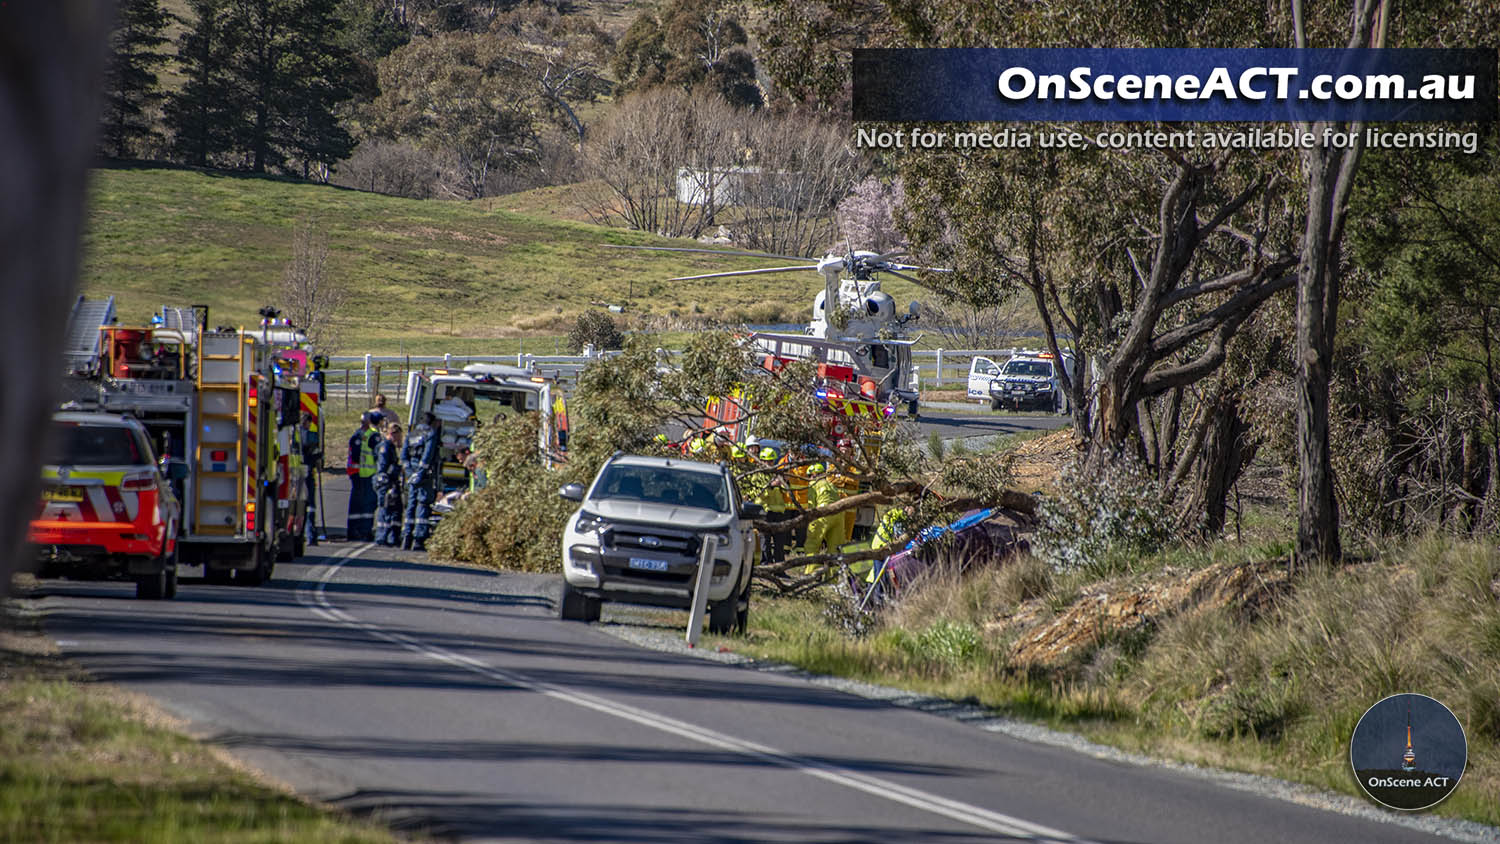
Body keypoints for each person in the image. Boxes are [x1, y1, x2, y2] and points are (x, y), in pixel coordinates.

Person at [402, 412, 442, 551]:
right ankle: (419, 538)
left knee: (411, 504)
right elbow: (428, 455)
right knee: (423, 503)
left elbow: (404, 455)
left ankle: (407, 537)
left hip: (412, 472)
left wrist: (409, 474)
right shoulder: (430, 433)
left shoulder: (411, 434)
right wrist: (420, 473)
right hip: (423, 475)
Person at [345, 412, 379, 541]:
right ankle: (361, 531)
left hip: (361, 473)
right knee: (364, 504)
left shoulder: (362, 435)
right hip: (361, 474)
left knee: (361, 503)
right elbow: (358, 456)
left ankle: (358, 530)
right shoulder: (364, 436)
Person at [373, 423, 405, 546]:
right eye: (398, 436)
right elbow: (383, 468)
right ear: (392, 434)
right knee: (385, 509)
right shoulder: (385, 447)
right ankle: (382, 537)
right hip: (386, 483)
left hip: (391, 482)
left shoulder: (390, 447)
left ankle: (392, 537)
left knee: (394, 510)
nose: (399, 439)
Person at [300, 411, 322, 547]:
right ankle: (311, 536)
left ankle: (299, 534)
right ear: (309, 422)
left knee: (298, 506)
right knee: (310, 507)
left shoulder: (294, 436)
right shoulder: (312, 436)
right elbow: (317, 457)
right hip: (308, 475)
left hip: (296, 476)